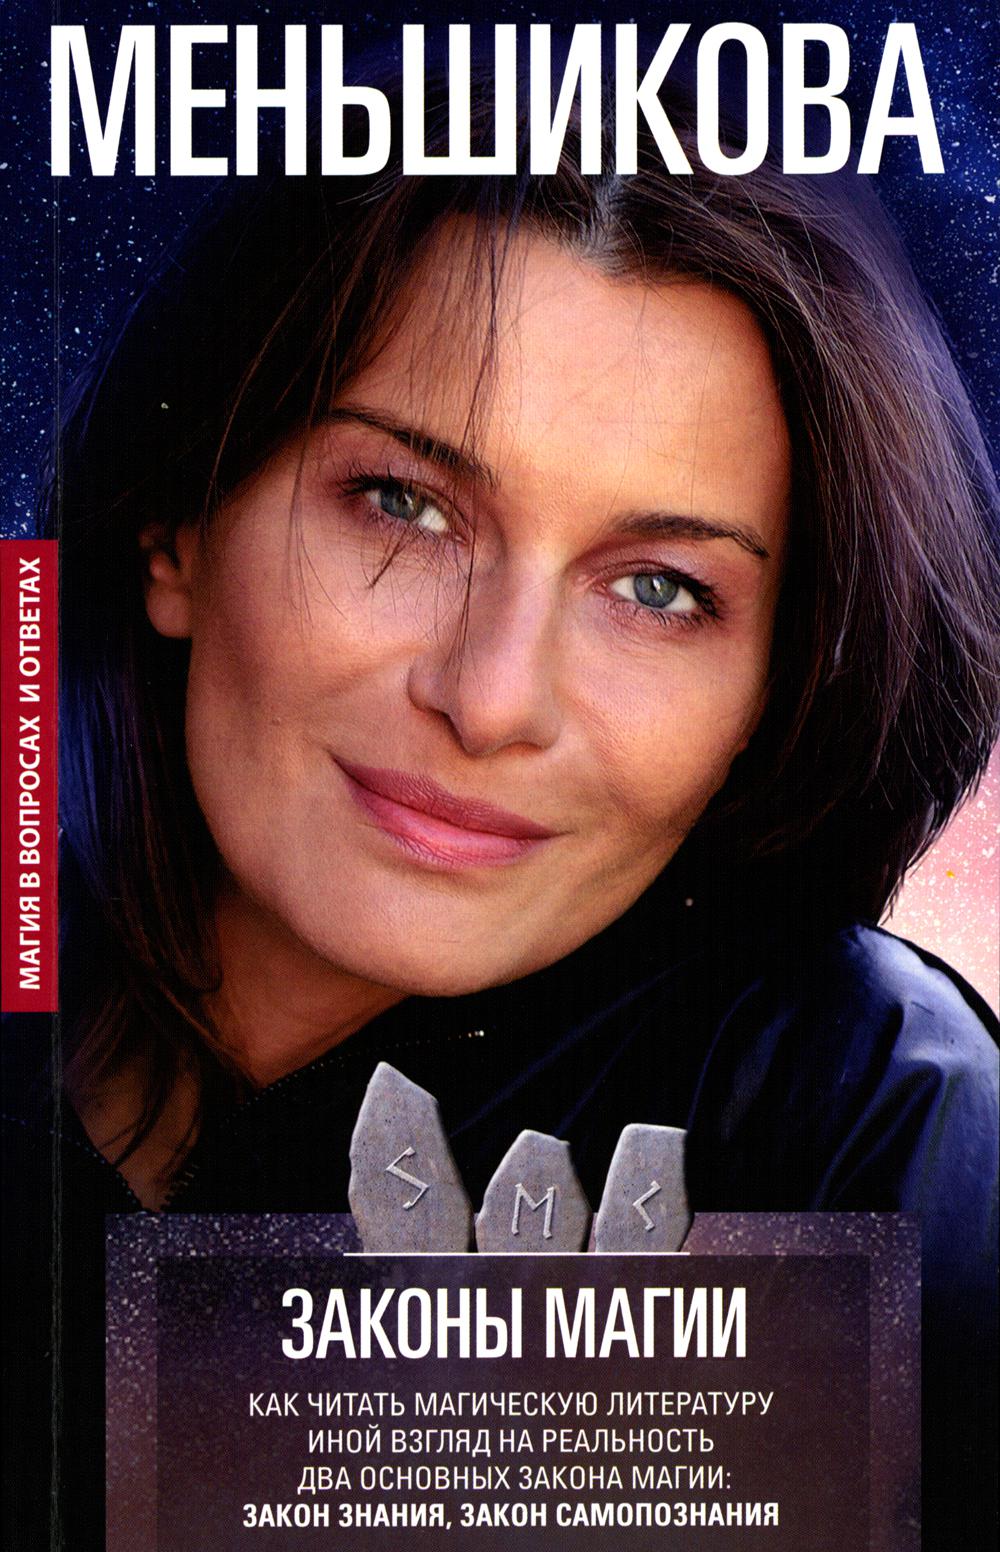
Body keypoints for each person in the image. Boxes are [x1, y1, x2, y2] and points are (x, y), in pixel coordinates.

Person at [5, 72, 998, 1549]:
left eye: (658, 589)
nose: (491, 698)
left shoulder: (860, 1115)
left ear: (770, 697)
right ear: (178, 529)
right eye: (404, 504)